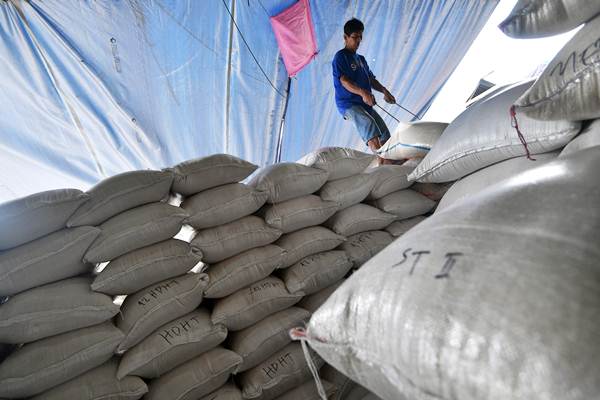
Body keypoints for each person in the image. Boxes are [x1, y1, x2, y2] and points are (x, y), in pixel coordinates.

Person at [332, 18, 396, 163]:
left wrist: (385, 91)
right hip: (349, 104)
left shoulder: (361, 59)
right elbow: (344, 81)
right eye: (354, 37)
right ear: (345, 37)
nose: (358, 41)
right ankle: (383, 161)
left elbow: (371, 79)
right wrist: (363, 92)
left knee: (383, 131)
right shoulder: (340, 57)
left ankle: (391, 158)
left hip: (364, 103)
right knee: (368, 124)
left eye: (360, 37)